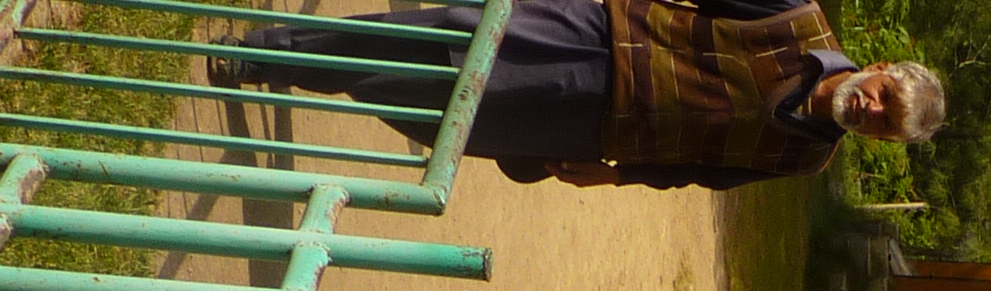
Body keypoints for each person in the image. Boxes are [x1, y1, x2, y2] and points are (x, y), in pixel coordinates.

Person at [214, 0, 945, 190]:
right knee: (442, 41)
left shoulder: (802, 159)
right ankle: (266, 54)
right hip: (592, 41)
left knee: (439, 117)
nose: (871, 110)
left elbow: (701, 171)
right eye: (883, 95)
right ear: (878, 68)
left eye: (883, 124)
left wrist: (614, 174)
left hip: (593, 130)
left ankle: (319, 71)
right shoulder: (797, 20)